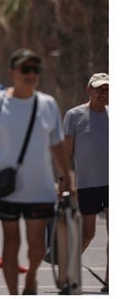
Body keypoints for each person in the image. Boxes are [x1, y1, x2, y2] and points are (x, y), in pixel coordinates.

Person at [0, 48, 74, 295]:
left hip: (40, 187)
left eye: (36, 69)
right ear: (12, 73)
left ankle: (31, 276)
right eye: (25, 69)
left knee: (36, 244)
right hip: (7, 188)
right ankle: (14, 293)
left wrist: (68, 175)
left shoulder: (47, 104)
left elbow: (57, 144)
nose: (31, 74)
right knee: (11, 241)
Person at [63, 72, 109, 293]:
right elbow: (66, 153)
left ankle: (110, 281)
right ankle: (68, 272)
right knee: (88, 234)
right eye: (99, 88)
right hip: (87, 185)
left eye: (107, 89)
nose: (103, 93)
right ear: (88, 90)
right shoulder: (74, 115)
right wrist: (64, 183)